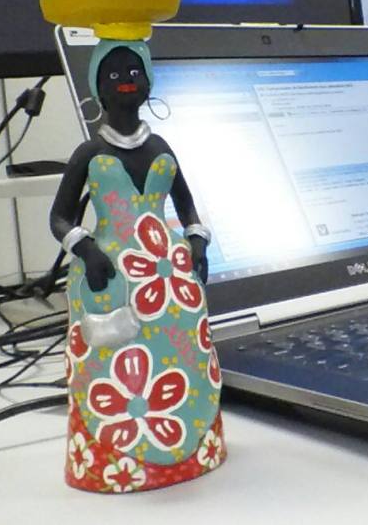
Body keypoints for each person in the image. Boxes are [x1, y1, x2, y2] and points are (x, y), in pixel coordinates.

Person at [50, 38, 226, 493]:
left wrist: (197, 241)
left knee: (184, 360)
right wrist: (86, 249)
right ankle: (115, 463)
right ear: (97, 88)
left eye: (134, 72)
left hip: (170, 278)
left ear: (148, 82)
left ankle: (193, 444)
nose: (126, 81)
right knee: (114, 366)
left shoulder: (162, 145)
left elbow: (187, 206)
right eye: (113, 75)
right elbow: (60, 217)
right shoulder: (89, 153)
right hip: (109, 277)